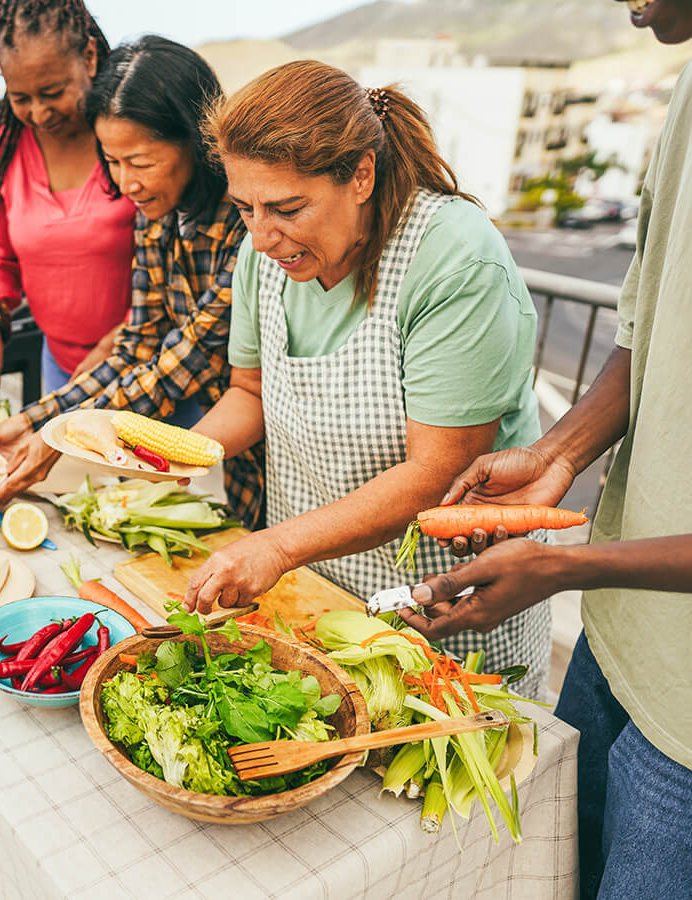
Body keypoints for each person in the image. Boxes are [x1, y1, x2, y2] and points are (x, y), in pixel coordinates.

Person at [400, 1, 692, 893]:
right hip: (620, 641)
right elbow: (647, 329)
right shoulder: (686, 88)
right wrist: (560, 454)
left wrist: (566, 569)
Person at [180, 61, 551, 699]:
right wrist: (169, 456)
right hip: (317, 579)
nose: (263, 236)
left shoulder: (453, 256)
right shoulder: (263, 256)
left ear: (360, 175)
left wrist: (274, 548)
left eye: (288, 208)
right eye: (245, 208)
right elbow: (248, 395)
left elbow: (437, 473)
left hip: (444, 598)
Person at [0, 36, 263, 528]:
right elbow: (137, 343)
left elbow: (190, 356)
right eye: (111, 161)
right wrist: (33, 419)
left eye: (142, 162)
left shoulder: (248, 222)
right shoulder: (154, 215)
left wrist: (61, 432)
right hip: (231, 467)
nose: (126, 184)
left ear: (197, 140)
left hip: (275, 456)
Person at [0, 0, 136, 402]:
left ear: (89, 56)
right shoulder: (4, 146)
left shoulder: (132, 136)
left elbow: (173, 265)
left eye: (52, 92)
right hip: (59, 367)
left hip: (143, 364)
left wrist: (122, 342)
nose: (40, 113)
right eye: (20, 97)